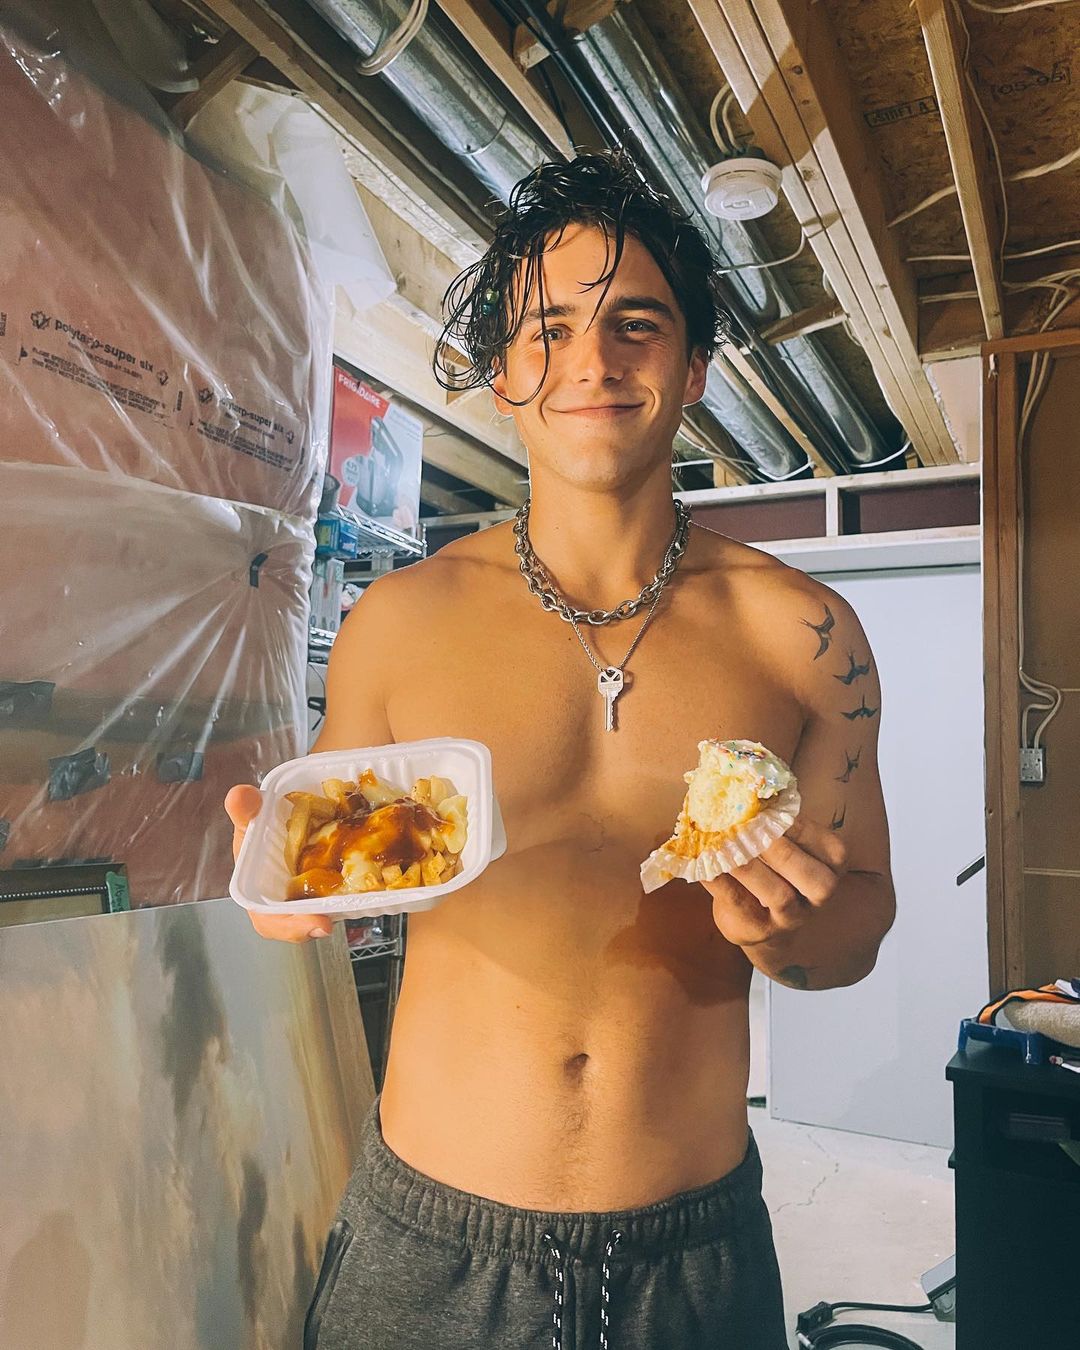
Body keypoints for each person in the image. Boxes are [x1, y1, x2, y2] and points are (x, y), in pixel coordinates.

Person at [226, 150, 895, 1350]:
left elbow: (854, 934)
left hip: (692, 1256)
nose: (593, 360)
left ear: (695, 369)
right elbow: (323, 866)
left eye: (636, 323)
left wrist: (791, 934)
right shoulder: (403, 622)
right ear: (502, 374)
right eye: (549, 330)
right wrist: (287, 891)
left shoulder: (804, 636)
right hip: (429, 1246)